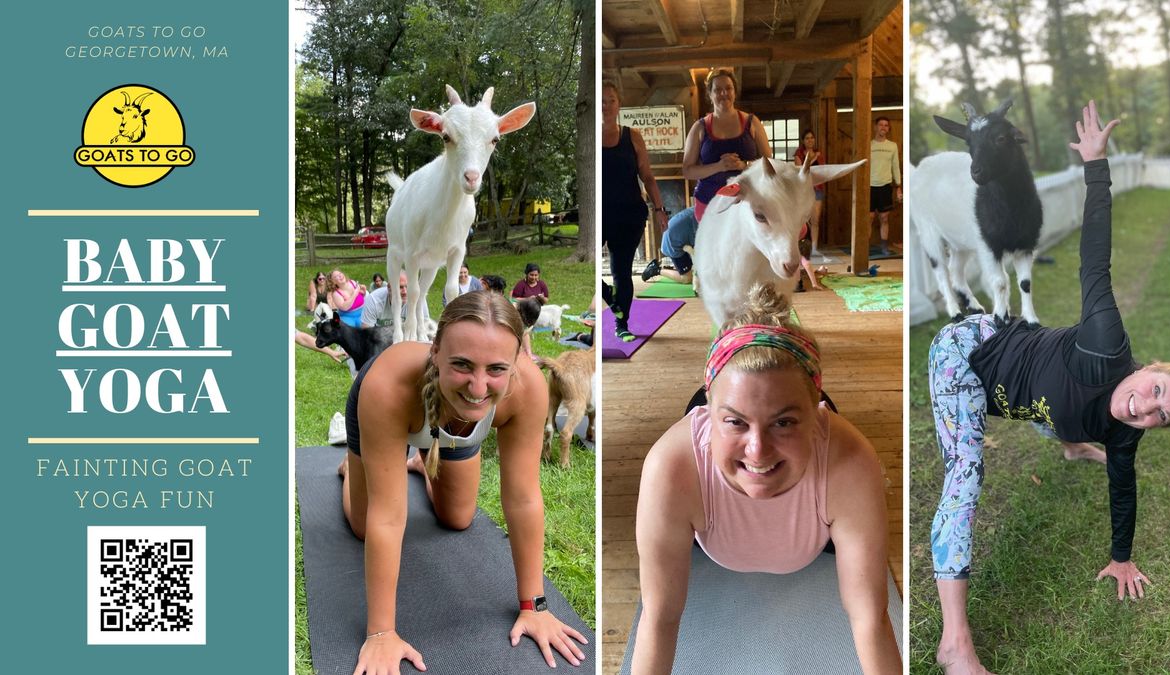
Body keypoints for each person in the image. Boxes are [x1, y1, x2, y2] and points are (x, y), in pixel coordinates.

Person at [926, 101, 1170, 674]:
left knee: (1065, 411)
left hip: (1030, 387)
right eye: (1154, 392)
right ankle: (954, 645)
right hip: (970, 354)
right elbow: (1095, 258)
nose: (1146, 409)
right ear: (1146, 367)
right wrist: (1095, 166)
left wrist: (1122, 558)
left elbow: (1124, 493)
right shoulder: (1105, 343)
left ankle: (1070, 439)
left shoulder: (1127, 435)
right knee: (966, 474)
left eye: (1161, 417)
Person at [632, 284, 901, 674]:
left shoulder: (851, 463)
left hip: (819, 488)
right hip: (705, 490)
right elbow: (659, 618)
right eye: (736, 421)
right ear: (710, 414)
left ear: (819, 415)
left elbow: (870, 619)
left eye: (784, 422)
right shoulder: (671, 467)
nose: (758, 449)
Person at [340, 292, 588, 673]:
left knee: (458, 517)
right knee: (363, 524)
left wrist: (534, 606)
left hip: (452, 429)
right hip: (386, 413)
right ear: (436, 352)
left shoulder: (528, 388)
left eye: (496, 369)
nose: (477, 386)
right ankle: (354, 466)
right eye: (462, 364)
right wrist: (381, 633)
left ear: (516, 362)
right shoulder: (389, 386)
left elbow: (523, 498)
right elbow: (388, 519)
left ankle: (424, 461)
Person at [602, 80, 669, 342]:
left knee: (621, 271)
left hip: (630, 214)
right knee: (595, 269)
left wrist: (660, 209)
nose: (607, 105)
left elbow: (648, 176)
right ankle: (609, 297)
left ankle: (622, 323)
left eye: (612, 100)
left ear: (619, 105)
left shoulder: (633, 136)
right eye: (603, 101)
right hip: (601, 216)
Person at [682, 68, 771, 223]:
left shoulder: (752, 122)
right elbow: (688, 171)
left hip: (749, 202)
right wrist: (719, 166)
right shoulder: (700, 127)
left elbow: (769, 162)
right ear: (710, 95)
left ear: (735, 92)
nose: (724, 93)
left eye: (728, 88)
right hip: (710, 203)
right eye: (718, 90)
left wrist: (745, 165)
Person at [640, 207, 697, 285]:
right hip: (673, 242)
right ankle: (655, 269)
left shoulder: (707, 209)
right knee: (686, 278)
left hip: (681, 237)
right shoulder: (706, 215)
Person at [869, 117, 902, 255]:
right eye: (880, 125)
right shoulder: (868, 144)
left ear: (888, 129)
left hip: (885, 186)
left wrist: (899, 187)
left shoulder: (892, 146)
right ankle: (864, 247)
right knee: (868, 219)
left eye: (886, 125)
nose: (883, 127)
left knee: (884, 218)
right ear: (875, 127)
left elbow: (895, 167)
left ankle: (884, 247)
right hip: (869, 186)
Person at [795, 129, 826, 258]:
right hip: (804, 190)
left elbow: (822, 171)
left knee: (815, 220)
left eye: (812, 138)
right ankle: (798, 247)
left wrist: (817, 157)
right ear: (803, 141)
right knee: (801, 220)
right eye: (807, 138)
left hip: (817, 189)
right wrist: (813, 159)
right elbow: (801, 171)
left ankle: (814, 248)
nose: (810, 140)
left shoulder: (819, 154)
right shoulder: (799, 154)